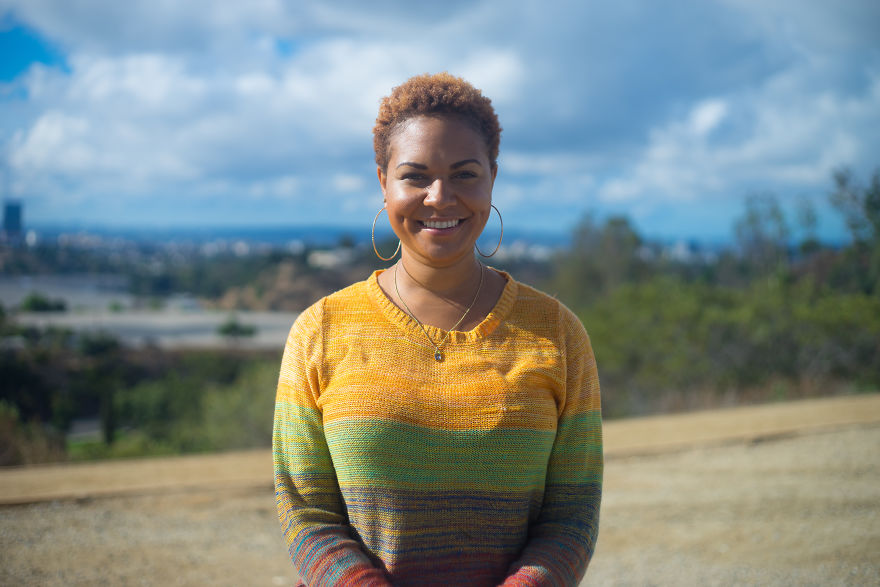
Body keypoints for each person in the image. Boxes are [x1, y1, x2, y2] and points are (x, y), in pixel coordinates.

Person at [273, 72, 603, 586]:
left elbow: (572, 516)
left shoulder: (557, 334)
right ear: (383, 180)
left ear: (492, 176)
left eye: (465, 174)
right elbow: (305, 513)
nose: (440, 196)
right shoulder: (321, 330)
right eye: (416, 175)